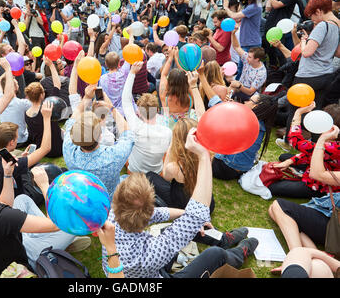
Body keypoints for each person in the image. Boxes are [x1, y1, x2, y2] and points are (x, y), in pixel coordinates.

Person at [101, 129, 258, 278]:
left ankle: (224, 239)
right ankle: (238, 254)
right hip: (153, 271)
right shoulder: (151, 253)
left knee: (179, 228)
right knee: (215, 254)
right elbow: (197, 213)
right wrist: (203, 155)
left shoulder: (111, 219)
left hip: (146, 268)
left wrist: (184, 215)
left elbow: (160, 214)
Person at [0, 154, 80, 278]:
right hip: (20, 265)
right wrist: (45, 186)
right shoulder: (3, 217)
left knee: (22, 199)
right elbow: (54, 224)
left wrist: (8, 174)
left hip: (4, 255)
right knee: (72, 222)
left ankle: (44, 237)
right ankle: (50, 247)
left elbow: (4, 204)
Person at [269, 125, 340, 275]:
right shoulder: (334, 146)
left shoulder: (334, 147)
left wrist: (321, 138)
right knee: (282, 216)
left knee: (279, 206)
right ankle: (313, 255)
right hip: (327, 209)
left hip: (334, 228)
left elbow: (315, 172)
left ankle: (297, 258)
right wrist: (291, 161)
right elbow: (307, 152)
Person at [62, 84, 135, 199]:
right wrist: (111, 108)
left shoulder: (68, 151)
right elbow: (128, 134)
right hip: (108, 201)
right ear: (100, 137)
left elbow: (72, 119)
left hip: (83, 197)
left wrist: (86, 97)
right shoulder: (114, 156)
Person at [270, 102, 340, 198]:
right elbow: (312, 153)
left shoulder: (333, 147)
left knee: (272, 187)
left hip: (320, 185)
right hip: (318, 168)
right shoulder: (332, 142)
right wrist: (289, 161)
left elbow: (295, 141)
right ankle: (300, 171)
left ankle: (306, 181)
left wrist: (298, 113)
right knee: (284, 157)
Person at [212, 94, 279, 181]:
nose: (245, 102)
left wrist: (196, 86)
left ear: (256, 106)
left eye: (249, 100)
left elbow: (217, 105)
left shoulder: (246, 122)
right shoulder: (259, 123)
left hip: (225, 169)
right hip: (242, 168)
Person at [121, 61, 172, 175]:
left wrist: (132, 73)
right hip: (157, 172)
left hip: (134, 171)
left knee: (125, 144)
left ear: (139, 111)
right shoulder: (167, 130)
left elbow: (125, 99)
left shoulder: (135, 126)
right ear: (157, 110)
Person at [0, 107, 52, 199]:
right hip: (20, 197)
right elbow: (45, 148)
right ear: (11, 142)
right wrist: (46, 118)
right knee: (50, 173)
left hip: (6, 195)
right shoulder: (12, 164)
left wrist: (23, 158)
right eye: (16, 138)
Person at [158, 47, 205, 129]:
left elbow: (163, 75)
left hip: (170, 130)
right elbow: (187, 74)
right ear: (185, 82)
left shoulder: (164, 97)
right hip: (186, 128)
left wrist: (170, 58)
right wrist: (177, 58)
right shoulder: (189, 96)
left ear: (169, 82)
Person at [223, 0, 262, 79]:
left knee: (247, 71)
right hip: (246, 42)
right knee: (241, 69)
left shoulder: (255, 6)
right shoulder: (250, 6)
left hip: (251, 43)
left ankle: (243, 90)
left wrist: (225, 7)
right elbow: (237, 19)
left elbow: (234, 16)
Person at [264, 0, 300, 67]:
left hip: (280, 28)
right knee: (269, 50)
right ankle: (273, 70)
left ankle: (284, 72)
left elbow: (276, 5)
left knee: (280, 53)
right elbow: (268, 8)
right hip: (270, 24)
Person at [229, 25, 267, 102]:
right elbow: (236, 47)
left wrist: (238, 86)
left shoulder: (261, 73)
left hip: (249, 96)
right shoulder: (248, 59)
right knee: (227, 90)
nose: (246, 58)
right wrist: (233, 34)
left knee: (231, 89)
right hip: (239, 87)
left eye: (249, 57)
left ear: (257, 59)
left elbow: (250, 92)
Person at [0, 72, 32, 147]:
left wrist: (7, 71)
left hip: (6, 141)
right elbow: (37, 107)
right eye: (17, 83)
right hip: (21, 140)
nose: (18, 85)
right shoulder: (23, 103)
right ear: (14, 87)